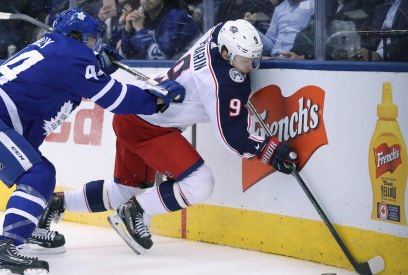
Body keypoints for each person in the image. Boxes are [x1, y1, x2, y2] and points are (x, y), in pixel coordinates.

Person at [0, 7, 185, 274]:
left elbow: (67, 81)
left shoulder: (55, 49)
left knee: (39, 171)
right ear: (76, 36)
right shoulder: (71, 55)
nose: (94, 47)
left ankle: (29, 227)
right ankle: (6, 251)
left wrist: (99, 69)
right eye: (92, 41)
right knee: (39, 174)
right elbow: (115, 99)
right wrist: (157, 99)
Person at [31, 19, 299, 255]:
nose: (250, 67)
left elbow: (243, 32)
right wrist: (271, 150)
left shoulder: (220, 32)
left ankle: (56, 204)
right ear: (227, 53)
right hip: (149, 126)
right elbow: (233, 137)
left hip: (135, 114)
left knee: (125, 189)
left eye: (254, 59)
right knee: (200, 183)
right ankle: (136, 212)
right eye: (245, 61)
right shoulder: (222, 82)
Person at [120, 0, 201, 59]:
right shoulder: (141, 18)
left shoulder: (178, 17)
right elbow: (125, 56)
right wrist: (128, 32)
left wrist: (140, 30)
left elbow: (160, 58)